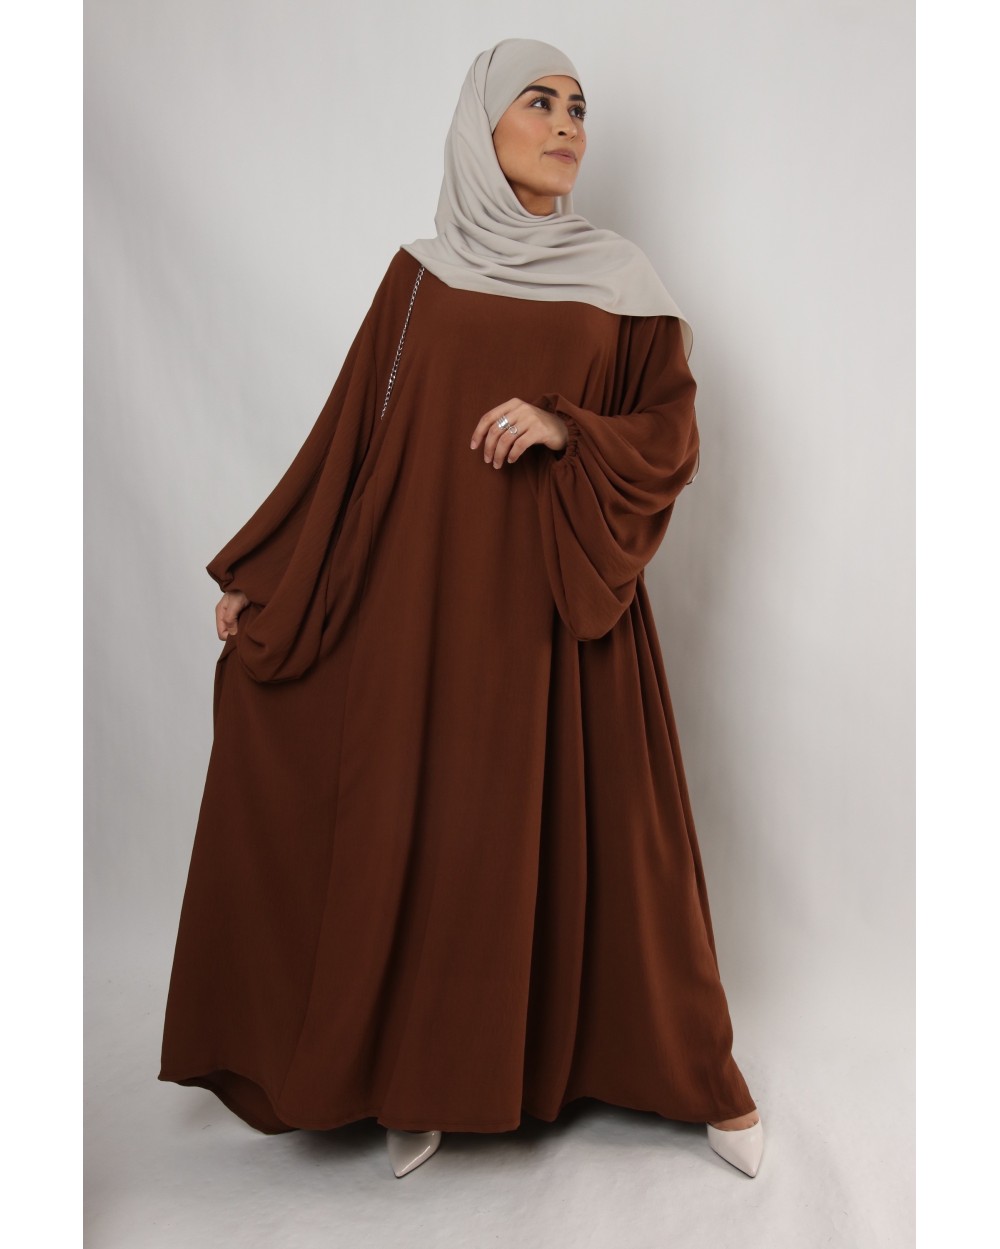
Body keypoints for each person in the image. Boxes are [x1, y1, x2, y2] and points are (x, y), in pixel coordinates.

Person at [158, 37, 765, 1181]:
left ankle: (691, 1073)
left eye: (578, 107)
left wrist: (563, 423)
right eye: (538, 102)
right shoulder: (420, 276)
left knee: (620, 847)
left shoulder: (620, 278)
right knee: (430, 822)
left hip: (559, 610)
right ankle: (421, 1075)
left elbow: (670, 434)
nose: (567, 124)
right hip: (423, 600)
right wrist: (268, 579)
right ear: (479, 127)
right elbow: (351, 438)